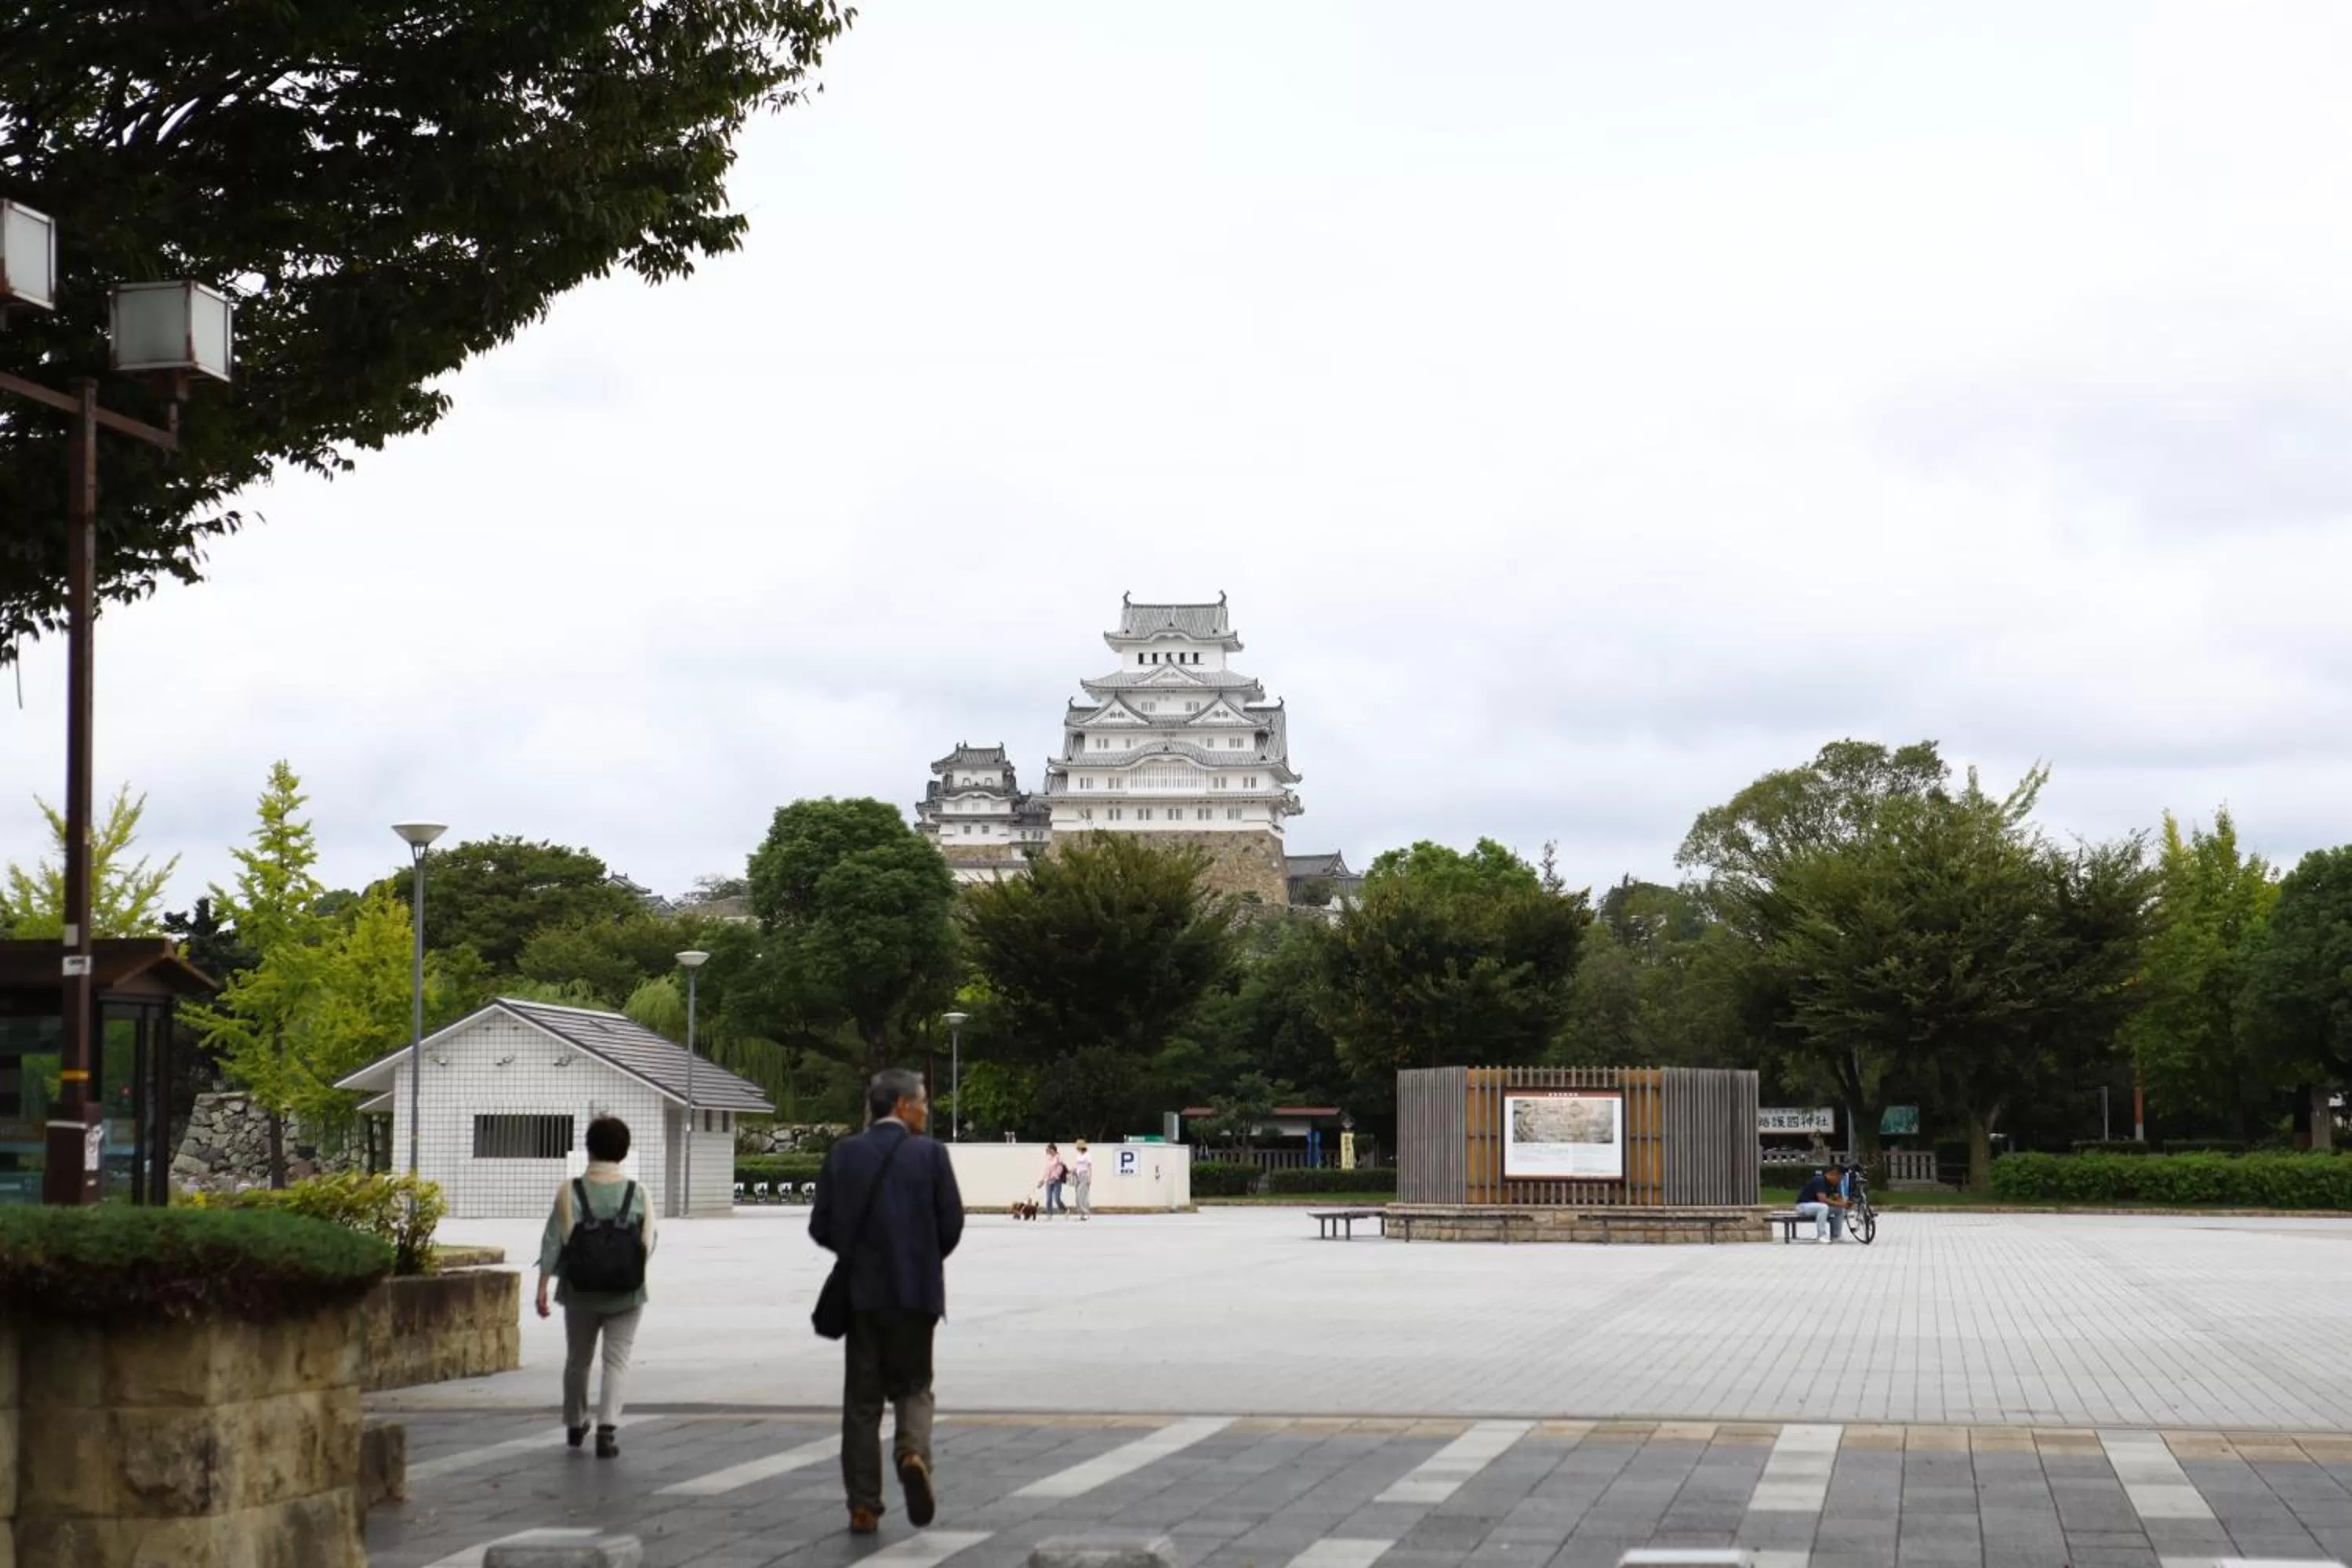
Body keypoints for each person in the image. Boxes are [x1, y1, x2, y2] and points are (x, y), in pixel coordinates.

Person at [811, 1069, 967, 1536]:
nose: (926, 1109)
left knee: (861, 1404)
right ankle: (912, 1452)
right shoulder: (932, 1155)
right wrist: (919, 1256)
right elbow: (952, 1225)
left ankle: (863, 1505)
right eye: (922, 1101)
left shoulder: (844, 1154)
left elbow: (821, 1226)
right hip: (916, 1296)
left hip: (862, 1299)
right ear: (901, 1105)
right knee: (915, 1387)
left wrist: (858, 1255)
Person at [535, 1115, 655, 1457]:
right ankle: (607, 1428)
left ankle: (575, 1423)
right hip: (627, 1293)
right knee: (617, 1360)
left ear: (588, 1150)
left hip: (579, 1291)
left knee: (578, 1359)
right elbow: (648, 1242)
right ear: (625, 1151)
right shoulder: (638, 1193)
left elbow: (552, 1241)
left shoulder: (569, 1191)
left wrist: (543, 1285)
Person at [1793, 1165, 1846, 1245]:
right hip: (1803, 1206)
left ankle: (1836, 1235)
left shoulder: (1835, 1184)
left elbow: (1838, 1199)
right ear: (1834, 1174)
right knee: (1823, 1207)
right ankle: (1821, 1236)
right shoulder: (1820, 1180)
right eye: (1839, 1179)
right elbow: (1823, 1199)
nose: (1839, 1181)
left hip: (1818, 1208)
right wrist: (1841, 1204)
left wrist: (1845, 1204)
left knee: (1839, 1209)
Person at [1040, 1142, 1069, 1218]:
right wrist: (1042, 1180)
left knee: (1057, 1199)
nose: (1048, 1152)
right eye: (1048, 1150)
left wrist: (1053, 1176)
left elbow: (1060, 1169)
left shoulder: (1059, 1158)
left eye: (1049, 1150)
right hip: (1049, 1181)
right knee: (1049, 1198)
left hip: (1057, 1181)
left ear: (1053, 1150)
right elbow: (1047, 1170)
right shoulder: (1049, 1159)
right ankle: (1049, 1214)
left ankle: (1065, 1210)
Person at [1069, 1138, 1094, 1221]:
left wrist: (1090, 1178)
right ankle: (1082, 1214)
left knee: (1082, 1195)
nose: (1077, 1148)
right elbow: (1077, 1165)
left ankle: (1086, 1213)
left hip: (1084, 1175)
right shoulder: (1078, 1155)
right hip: (1078, 1175)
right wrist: (1073, 1170)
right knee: (1077, 1195)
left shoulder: (1087, 1155)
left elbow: (1089, 1167)